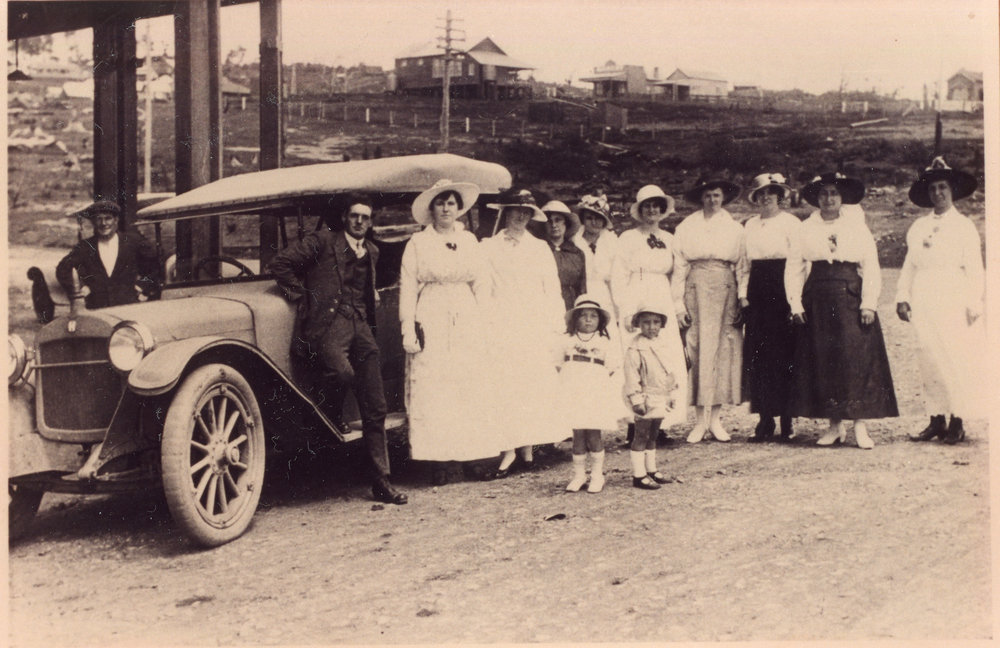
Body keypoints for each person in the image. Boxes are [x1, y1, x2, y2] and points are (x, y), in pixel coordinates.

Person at [267, 193, 407, 504]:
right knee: (342, 375)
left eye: (365, 217)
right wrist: (302, 299)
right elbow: (280, 264)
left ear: (370, 223)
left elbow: (368, 290)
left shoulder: (371, 250)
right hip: (328, 327)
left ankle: (381, 482)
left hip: (360, 327)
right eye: (355, 216)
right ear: (345, 217)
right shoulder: (322, 242)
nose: (360, 222)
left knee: (376, 406)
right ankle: (328, 424)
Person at [785, 172, 898, 448]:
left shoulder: (856, 227)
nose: (829, 199)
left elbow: (870, 266)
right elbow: (794, 267)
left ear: (842, 197)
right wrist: (795, 303)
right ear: (816, 198)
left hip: (850, 296)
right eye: (823, 194)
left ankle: (860, 425)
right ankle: (834, 425)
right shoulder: (805, 228)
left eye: (834, 193)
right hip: (818, 297)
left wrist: (868, 303)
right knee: (824, 359)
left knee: (855, 359)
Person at [399, 179, 499, 484]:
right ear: (432, 208)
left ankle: (473, 456)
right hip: (431, 312)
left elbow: (482, 284)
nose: (446, 208)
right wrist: (408, 327)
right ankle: (439, 461)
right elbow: (408, 288)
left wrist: (484, 324)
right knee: (435, 386)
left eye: (451, 203)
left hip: (466, 313)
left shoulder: (470, 241)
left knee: (468, 384)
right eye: (440, 203)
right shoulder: (418, 243)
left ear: (459, 208)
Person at [481, 188, 570, 478]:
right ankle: (508, 449)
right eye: (515, 210)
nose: (520, 216)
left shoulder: (539, 248)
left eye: (526, 212)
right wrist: (488, 322)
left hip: (532, 324)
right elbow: (483, 290)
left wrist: (556, 328)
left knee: (530, 384)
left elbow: (551, 291)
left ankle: (529, 446)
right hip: (501, 323)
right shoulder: (488, 248)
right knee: (504, 385)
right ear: (505, 212)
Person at [896, 157, 985, 444]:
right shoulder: (919, 227)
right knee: (927, 356)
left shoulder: (964, 226)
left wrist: (974, 303)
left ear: (952, 190)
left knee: (954, 357)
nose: (938, 193)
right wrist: (902, 296)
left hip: (952, 295)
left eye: (943, 187)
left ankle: (958, 419)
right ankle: (936, 418)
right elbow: (910, 264)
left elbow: (975, 269)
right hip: (924, 295)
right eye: (933, 188)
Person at [673, 178, 748, 443]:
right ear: (700, 198)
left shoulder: (735, 228)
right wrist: (678, 304)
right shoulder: (686, 226)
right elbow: (680, 266)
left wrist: (741, 298)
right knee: (696, 349)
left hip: (725, 288)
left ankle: (715, 420)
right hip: (695, 287)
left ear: (723, 198)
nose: (712, 200)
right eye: (707, 196)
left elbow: (742, 267)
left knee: (721, 351)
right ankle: (698, 421)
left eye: (717, 196)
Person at [611, 185, 689, 433]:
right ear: (640, 210)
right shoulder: (628, 238)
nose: (652, 210)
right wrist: (625, 309)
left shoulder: (670, 239)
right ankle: (635, 422)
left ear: (663, 210)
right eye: (647, 206)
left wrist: (677, 306)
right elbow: (619, 274)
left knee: (663, 357)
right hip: (636, 293)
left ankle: (660, 421)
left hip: (661, 296)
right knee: (636, 358)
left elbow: (678, 275)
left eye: (656, 206)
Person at [741, 173, 801, 442]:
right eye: (761, 193)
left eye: (771, 192)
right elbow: (743, 264)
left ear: (779, 196)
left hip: (783, 285)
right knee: (759, 353)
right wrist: (743, 295)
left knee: (785, 352)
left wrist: (794, 297)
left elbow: (799, 262)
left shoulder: (791, 223)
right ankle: (765, 419)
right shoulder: (749, 225)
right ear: (756, 198)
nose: (766, 197)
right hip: (758, 288)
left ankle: (787, 419)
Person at [557, 295, 623, 493]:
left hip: (594, 392)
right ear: (574, 319)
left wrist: (594, 383)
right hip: (574, 390)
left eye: (593, 316)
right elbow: (558, 364)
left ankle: (596, 475)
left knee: (593, 434)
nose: (588, 320)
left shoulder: (604, 342)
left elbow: (612, 367)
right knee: (577, 434)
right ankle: (578, 475)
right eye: (583, 315)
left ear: (600, 320)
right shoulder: (566, 340)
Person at [56, 199, 161, 308]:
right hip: (96, 307)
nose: (103, 223)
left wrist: (141, 286)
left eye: (108, 218)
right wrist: (80, 288)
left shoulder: (133, 242)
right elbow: (62, 269)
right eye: (99, 219)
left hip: (127, 306)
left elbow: (154, 269)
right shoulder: (85, 246)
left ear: (116, 220)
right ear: (93, 222)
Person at [623, 303, 680, 490]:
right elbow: (632, 376)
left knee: (654, 433)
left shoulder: (663, 344)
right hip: (645, 396)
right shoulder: (635, 348)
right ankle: (638, 475)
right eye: (646, 322)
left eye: (656, 322)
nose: (652, 326)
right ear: (638, 323)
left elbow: (669, 371)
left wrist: (671, 393)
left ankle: (651, 469)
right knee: (641, 434)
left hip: (660, 394)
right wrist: (636, 399)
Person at [572, 194, 620, 324]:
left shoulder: (612, 243)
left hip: (604, 294)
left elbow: (617, 278)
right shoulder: (574, 242)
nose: (594, 222)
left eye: (598, 218)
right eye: (589, 218)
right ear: (582, 220)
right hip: (580, 293)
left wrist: (619, 308)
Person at [541, 200, 587, 310]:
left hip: (570, 304)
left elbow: (582, 287)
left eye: (558, 220)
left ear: (566, 224)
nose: (554, 225)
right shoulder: (539, 251)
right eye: (549, 221)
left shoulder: (576, 253)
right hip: (544, 303)